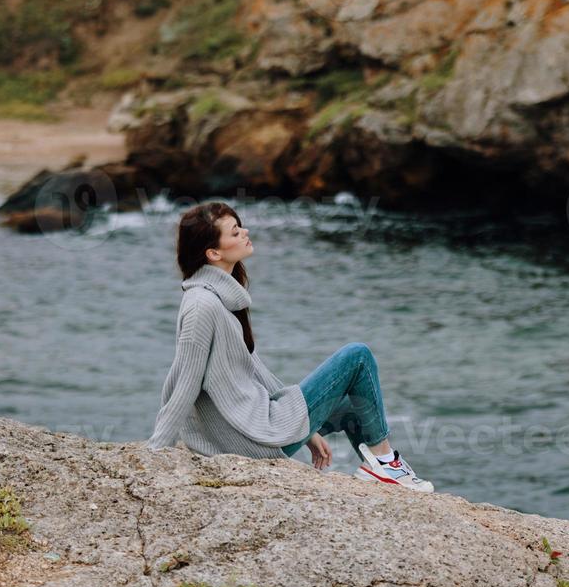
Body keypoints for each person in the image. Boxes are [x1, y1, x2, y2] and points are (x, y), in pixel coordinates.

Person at [147, 201, 433, 492]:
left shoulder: (222, 298)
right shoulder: (202, 305)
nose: (245, 232)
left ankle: (385, 477)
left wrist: (306, 431)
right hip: (249, 440)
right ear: (213, 253)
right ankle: (386, 463)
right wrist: (156, 453)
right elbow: (185, 381)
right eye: (234, 232)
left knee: (355, 407)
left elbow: (256, 373)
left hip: (259, 424)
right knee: (357, 356)